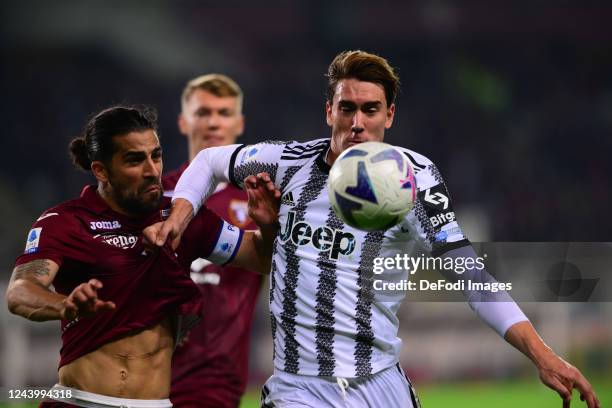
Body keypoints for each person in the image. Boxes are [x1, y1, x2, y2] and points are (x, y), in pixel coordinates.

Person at [146, 51, 600, 408]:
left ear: (390, 116)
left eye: (370, 109)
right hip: (299, 387)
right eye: (347, 108)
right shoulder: (290, 164)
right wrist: (179, 215)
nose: (357, 123)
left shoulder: (416, 179)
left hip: (379, 381)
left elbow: (470, 275)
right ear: (329, 112)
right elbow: (209, 162)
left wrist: (542, 354)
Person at [5, 105, 278, 408]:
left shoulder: (181, 218)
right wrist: (64, 305)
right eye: (135, 160)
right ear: (101, 170)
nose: (152, 170)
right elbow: (20, 292)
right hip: (80, 401)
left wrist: (267, 226)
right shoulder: (66, 221)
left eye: (156, 156)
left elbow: (261, 258)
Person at [165, 74, 262, 407]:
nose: (213, 122)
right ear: (183, 121)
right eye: (203, 112)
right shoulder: (156, 196)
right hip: (144, 372)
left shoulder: (258, 202)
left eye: (223, 113)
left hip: (213, 377)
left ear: (239, 123)